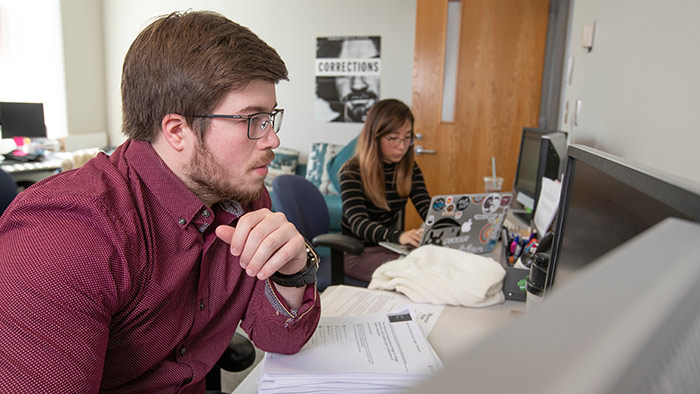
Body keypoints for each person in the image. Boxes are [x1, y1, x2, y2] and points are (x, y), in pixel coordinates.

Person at [0, 11, 320, 393]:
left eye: (271, 118)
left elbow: (280, 340)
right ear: (177, 130)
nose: (272, 140)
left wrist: (293, 271)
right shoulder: (67, 237)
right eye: (253, 120)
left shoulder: (245, 201)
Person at [339, 99, 431, 282]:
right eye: (393, 138)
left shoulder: (409, 168)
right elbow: (359, 223)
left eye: (407, 137)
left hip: (390, 247)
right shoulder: (352, 171)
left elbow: (428, 209)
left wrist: (452, 224)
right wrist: (400, 236)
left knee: (430, 265)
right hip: (356, 253)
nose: (402, 146)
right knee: (416, 275)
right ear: (375, 136)